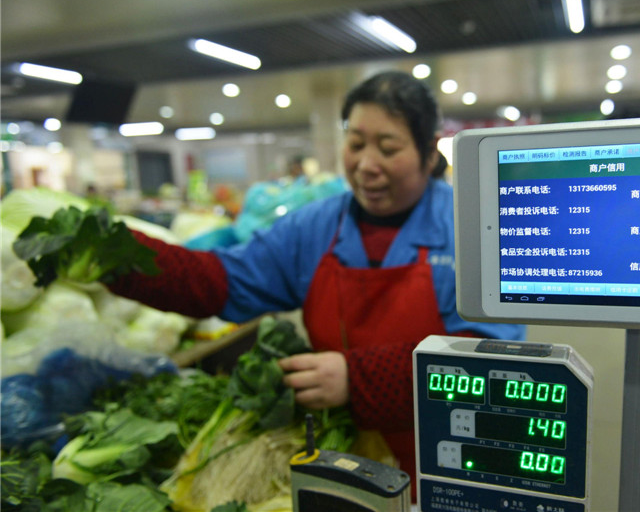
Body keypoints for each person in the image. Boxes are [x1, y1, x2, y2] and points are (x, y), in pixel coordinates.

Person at [107, 70, 525, 496]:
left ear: (427, 155)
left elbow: (490, 361)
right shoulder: (316, 226)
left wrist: (359, 380)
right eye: (356, 143)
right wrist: (111, 254)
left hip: (453, 452)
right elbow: (220, 281)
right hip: (349, 459)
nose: (365, 165)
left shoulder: (470, 226)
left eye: (388, 147)